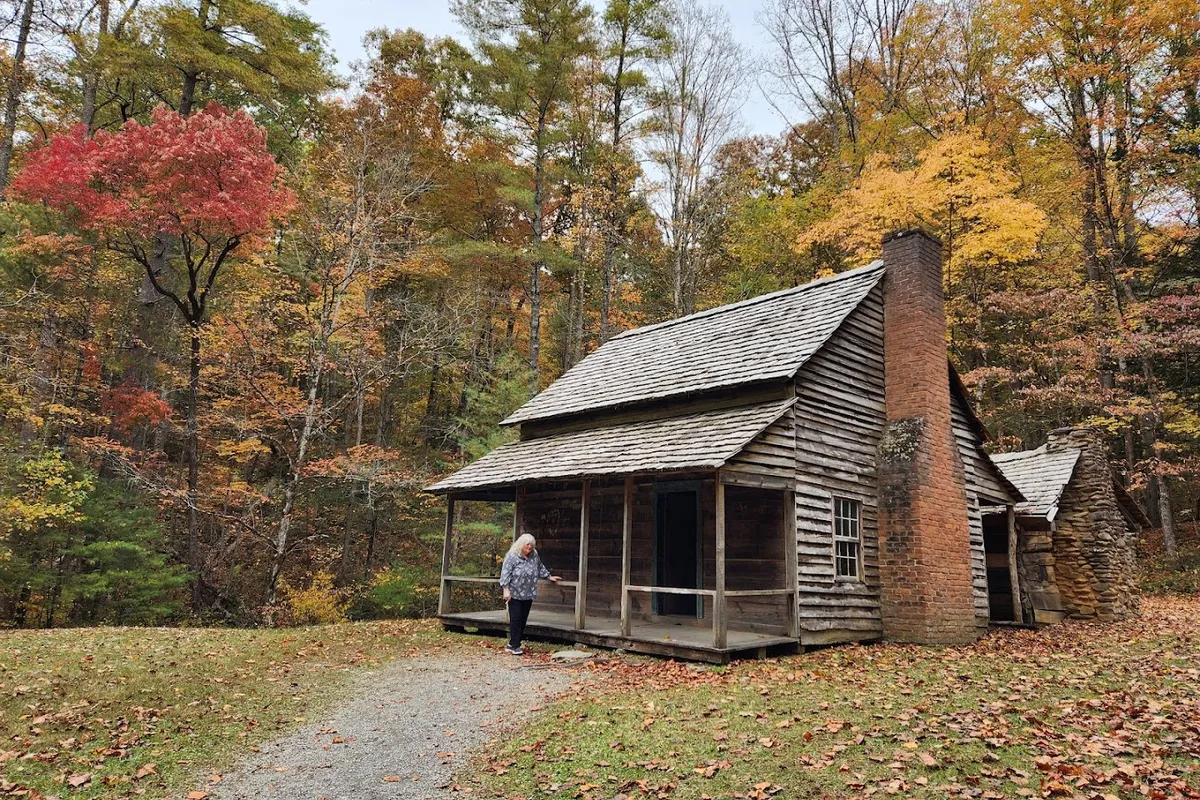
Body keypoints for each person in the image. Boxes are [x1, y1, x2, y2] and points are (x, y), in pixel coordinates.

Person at [498, 533, 561, 655]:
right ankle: (516, 646)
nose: (530, 547)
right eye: (527, 544)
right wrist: (506, 589)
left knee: (523, 619)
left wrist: (549, 576)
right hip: (514, 593)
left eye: (532, 544)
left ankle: (512, 644)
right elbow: (505, 573)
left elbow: (539, 567)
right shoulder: (512, 556)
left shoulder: (534, 555)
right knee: (516, 619)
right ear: (521, 544)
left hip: (528, 592)